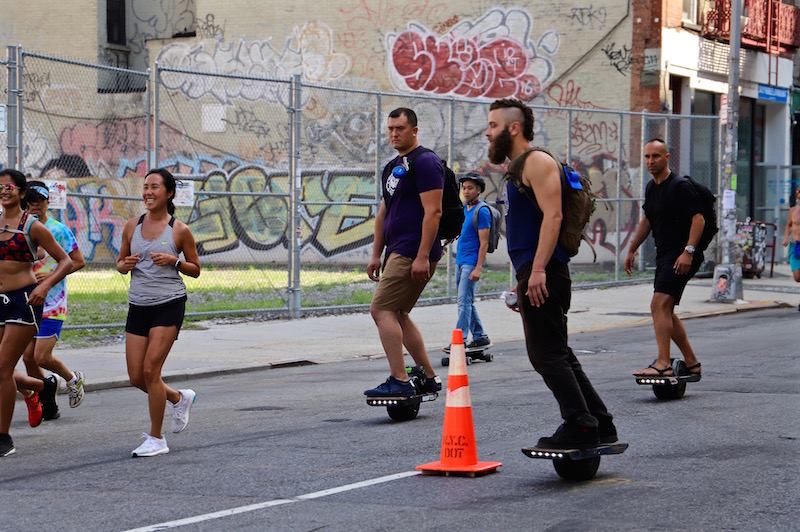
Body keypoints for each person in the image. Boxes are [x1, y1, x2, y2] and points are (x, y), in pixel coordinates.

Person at [486, 98, 616, 449]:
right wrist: (523, 276)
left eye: (494, 126)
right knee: (558, 352)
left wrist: (538, 269)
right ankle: (600, 422)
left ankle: (580, 424)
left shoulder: (537, 162)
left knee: (545, 354)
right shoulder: (521, 167)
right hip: (537, 269)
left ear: (514, 128)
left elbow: (553, 217)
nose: (488, 132)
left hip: (547, 270)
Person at [116, 168, 201, 457]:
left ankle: (156, 438)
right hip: (138, 305)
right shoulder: (131, 226)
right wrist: (123, 265)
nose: (148, 192)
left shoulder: (179, 230)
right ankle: (178, 398)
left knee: (152, 371)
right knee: (137, 377)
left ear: (169, 193)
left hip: (169, 305)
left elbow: (196, 269)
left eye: (154, 187)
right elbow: (119, 263)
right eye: (145, 187)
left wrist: (174, 262)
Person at [364, 107, 443, 397]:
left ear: (414, 130)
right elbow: (383, 214)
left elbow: (434, 212)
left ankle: (399, 379)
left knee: (380, 309)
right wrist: (375, 254)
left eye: (400, 128)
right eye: (390, 129)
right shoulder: (392, 167)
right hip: (397, 250)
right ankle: (430, 378)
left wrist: (423, 256)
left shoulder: (425, 163)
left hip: (412, 251)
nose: (394, 133)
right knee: (398, 313)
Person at [0, 169, 73, 457]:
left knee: (3, 367)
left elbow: (66, 261)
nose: (3, 190)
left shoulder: (32, 226)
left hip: (24, 301)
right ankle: (38, 388)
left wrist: (46, 286)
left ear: (20, 192)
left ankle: (3, 437)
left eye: (8, 186)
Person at [624, 138, 704, 378]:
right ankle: (691, 362)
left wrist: (688, 251)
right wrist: (631, 248)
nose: (650, 161)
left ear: (667, 158)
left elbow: (698, 219)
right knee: (665, 310)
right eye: (647, 156)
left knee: (658, 304)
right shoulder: (652, 187)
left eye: (656, 156)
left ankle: (663, 363)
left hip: (682, 254)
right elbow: (648, 220)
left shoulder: (679, 186)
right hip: (665, 254)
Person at [17, 181, 87, 419]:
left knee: (40, 357)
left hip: (53, 302)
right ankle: (49, 400)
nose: (35, 207)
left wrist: (52, 274)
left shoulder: (58, 230)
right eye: (30, 203)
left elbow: (78, 261)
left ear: (48, 202)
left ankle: (71, 379)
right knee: (28, 358)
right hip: (26, 301)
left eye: (39, 202)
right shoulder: (20, 229)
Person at [445, 172, 491, 352]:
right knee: (466, 301)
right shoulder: (464, 208)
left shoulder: (482, 211)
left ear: (479, 190)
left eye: (470, 188)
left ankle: (461, 339)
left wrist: (479, 267)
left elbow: (484, 242)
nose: (466, 191)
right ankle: (480, 336)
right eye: (464, 187)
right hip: (460, 262)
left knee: (463, 302)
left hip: (472, 263)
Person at [781, 189, 800, 302]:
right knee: (797, 277)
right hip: (794, 245)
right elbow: (788, 225)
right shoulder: (793, 211)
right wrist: (785, 237)